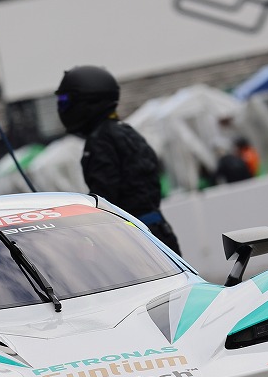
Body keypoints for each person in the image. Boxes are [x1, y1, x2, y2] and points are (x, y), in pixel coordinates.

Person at [55, 65, 181, 254]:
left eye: (65, 100)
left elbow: (104, 201)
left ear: (87, 101)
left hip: (134, 241)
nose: (62, 106)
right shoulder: (128, 132)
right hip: (160, 234)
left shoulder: (100, 140)